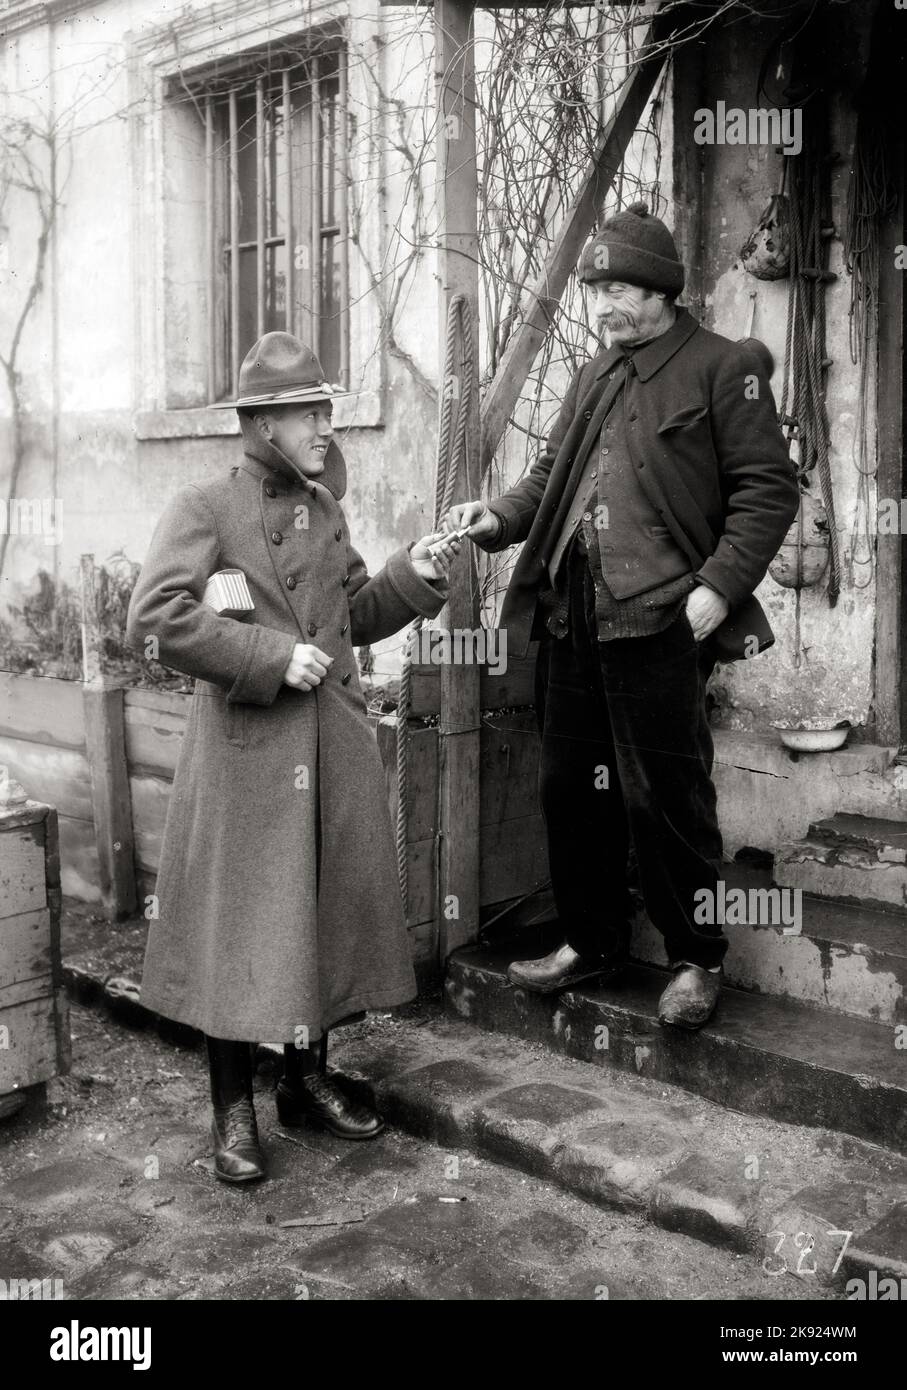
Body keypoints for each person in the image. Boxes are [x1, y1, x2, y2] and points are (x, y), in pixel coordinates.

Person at [441, 202, 799, 1030]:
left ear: (663, 292)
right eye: (594, 287)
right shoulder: (596, 373)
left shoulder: (722, 366)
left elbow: (767, 488)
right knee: (571, 790)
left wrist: (717, 586)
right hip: (571, 615)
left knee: (664, 794)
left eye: (618, 288)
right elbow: (545, 480)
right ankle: (590, 940)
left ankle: (695, 957)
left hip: (663, 622)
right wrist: (494, 517)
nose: (601, 304)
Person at [126, 332, 460, 1183]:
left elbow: (352, 611)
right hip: (247, 757)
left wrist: (412, 573)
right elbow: (156, 619)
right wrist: (270, 659)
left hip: (332, 746)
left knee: (322, 915)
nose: (324, 425)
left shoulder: (323, 506)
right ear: (265, 422)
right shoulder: (205, 504)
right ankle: (231, 1107)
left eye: (326, 408)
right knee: (235, 930)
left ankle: (306, 1082)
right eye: (310, 411)